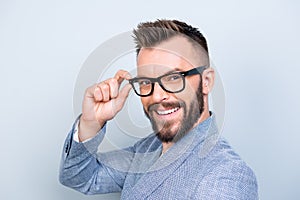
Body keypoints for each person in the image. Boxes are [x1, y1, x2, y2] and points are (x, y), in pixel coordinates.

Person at [59, 19, 258, 199]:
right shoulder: (146, 150)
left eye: (173, 78)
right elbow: (80, 177)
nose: (156, 96)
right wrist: (91, 123)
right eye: (146, 81)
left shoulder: (226, 176)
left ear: (206, 81)